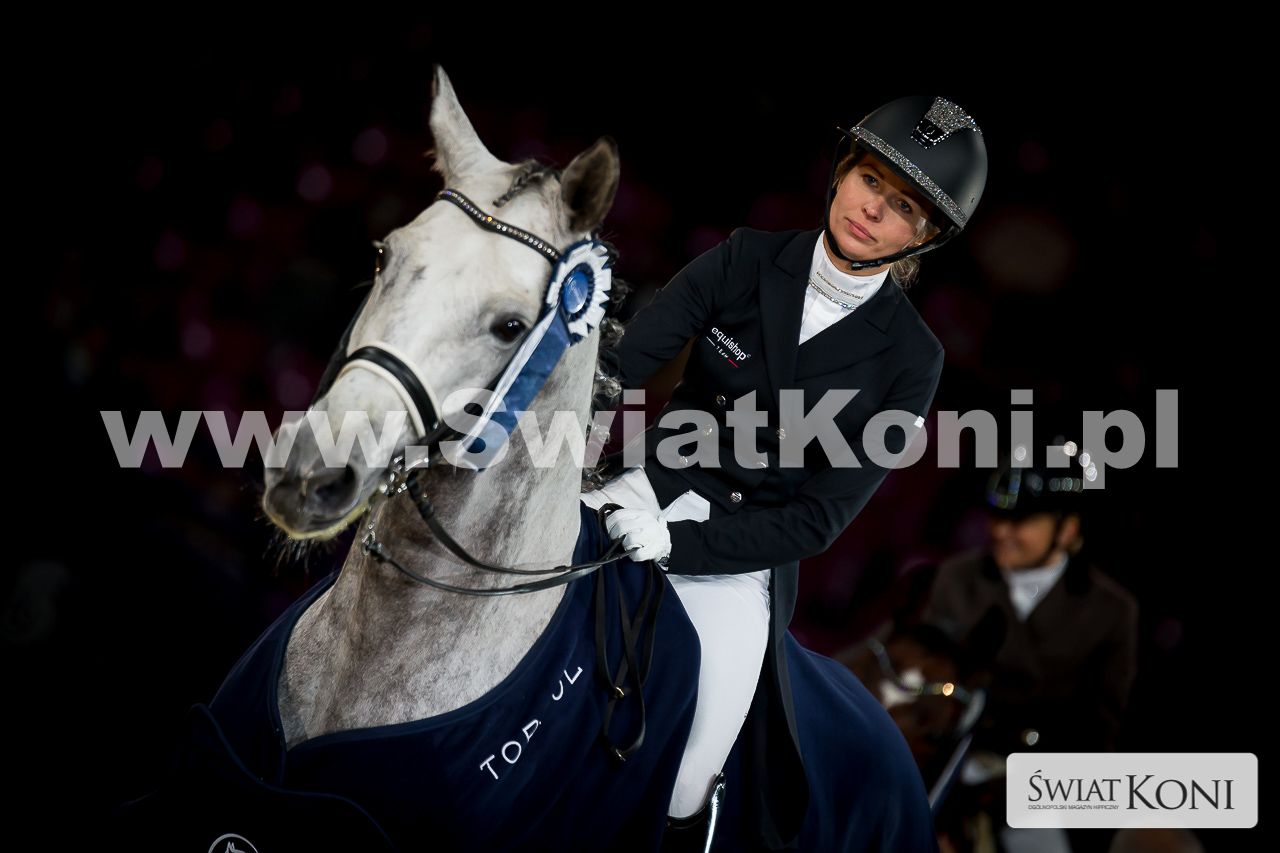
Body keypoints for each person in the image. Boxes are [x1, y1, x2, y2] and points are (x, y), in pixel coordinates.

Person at [583, 95, 988, 850]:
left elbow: (817, 520)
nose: (872, 209)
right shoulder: (745, 257)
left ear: (924, 236)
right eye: (870, 180)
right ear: (841, 173)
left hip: (737, 561)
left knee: (692, 766)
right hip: (647, 485)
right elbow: (621, 367)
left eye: (902, 206)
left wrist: (677, 546)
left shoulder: (912, 359)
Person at [923, 437, 1140, 756]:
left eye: (1018, 520)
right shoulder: (958, 576)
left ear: (1066, 530)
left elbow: (1099, 728)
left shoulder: (1110, 611)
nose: (1000, 532)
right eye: (997, 516)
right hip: (941, 749)